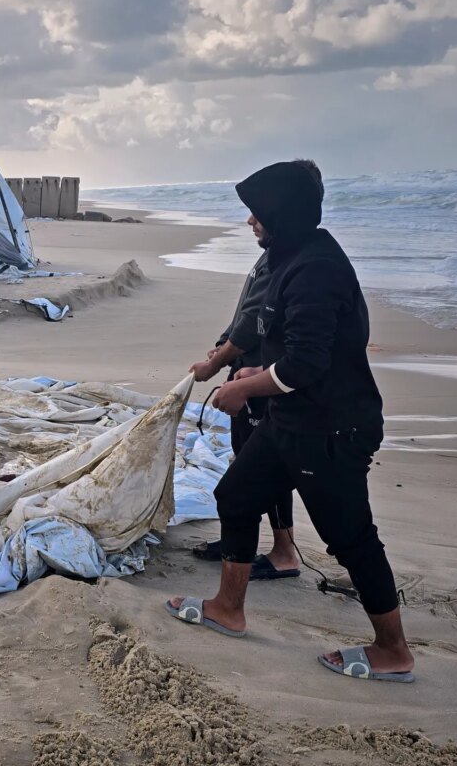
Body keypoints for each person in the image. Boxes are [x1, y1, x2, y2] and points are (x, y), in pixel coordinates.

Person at [166, 161, 415, 684]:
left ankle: (393, 650)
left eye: (257, 212)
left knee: (350, 539)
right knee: (235, 495)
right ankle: (228, 609)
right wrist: (256, 368)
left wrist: (240, 386)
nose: (250, 221)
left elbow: (306, 365)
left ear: (283, 212)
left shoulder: (317, 268)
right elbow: (288, 346)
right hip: (292, 419)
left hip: (332, 430)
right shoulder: (290, 255)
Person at [184, 165, 327, 579]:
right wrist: (224, 343)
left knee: (265, 466)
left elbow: (253, 327)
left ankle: (283, 552)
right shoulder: (274, 256)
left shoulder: (292, 264)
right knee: (245, 459)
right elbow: (246, 315)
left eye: (258, 211)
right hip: (250, 372)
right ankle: (239, 543)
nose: (250, 219)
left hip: (264, 379)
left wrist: (216, 361)